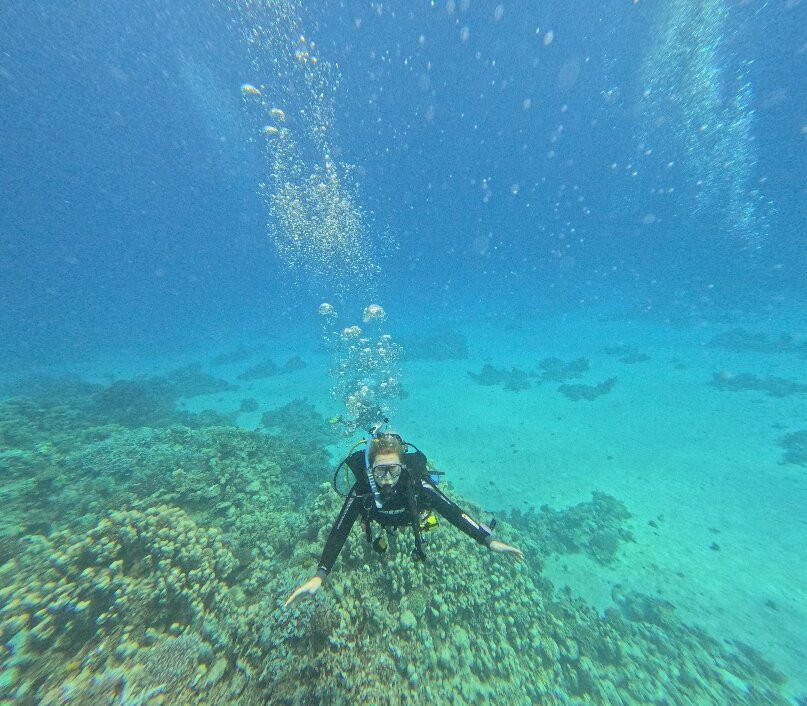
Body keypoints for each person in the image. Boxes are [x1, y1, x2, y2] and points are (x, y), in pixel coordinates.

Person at [286, 429, 524, 606]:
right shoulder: (361, 490)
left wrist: (488, 540)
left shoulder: (415, 484)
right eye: (380, 470)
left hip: (412, 518)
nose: (388, 479)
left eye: (394, 469)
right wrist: (320, 574)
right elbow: (340, 529)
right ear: (370, 470)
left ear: (402, 467)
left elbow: (453, 512)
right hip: (380, 522)